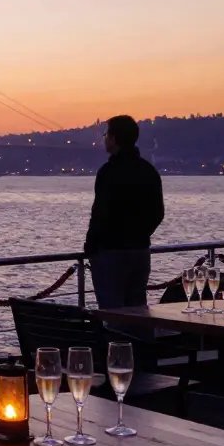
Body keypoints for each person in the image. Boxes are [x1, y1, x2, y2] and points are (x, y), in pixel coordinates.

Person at [85, 115, 164, 309]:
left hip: (110, 254)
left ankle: (117, 341)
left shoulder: (108, 172)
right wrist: (140, 235)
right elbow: (158, 212)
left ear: (113, 138)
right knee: (138, 312)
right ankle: (141, 340)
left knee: (112, 313)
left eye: (106, 134)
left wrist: (92, 246)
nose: (104, 139)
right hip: (140, 251)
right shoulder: (149, 171)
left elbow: (100, 214)